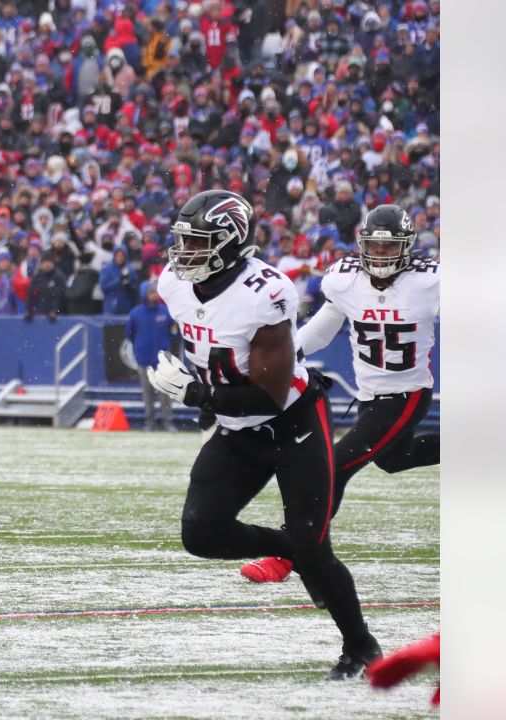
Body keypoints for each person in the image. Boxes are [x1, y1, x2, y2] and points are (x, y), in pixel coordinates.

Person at [148, 189, 381, 680]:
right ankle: (295, 549)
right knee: (200, 532)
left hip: (293, 424)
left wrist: (195, 396)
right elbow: (208, 342)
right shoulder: (174, 282)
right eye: (183, 242)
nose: (182, 254)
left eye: (197, 243)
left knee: (316, 547)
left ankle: (361, 648)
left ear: (229, 244)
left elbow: (269, 396)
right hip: (237, 429)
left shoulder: (265, 293)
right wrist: (204, 395)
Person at [241, 205, 440, 583]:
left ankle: (289, 553)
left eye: (388, 247)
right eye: (374, 246)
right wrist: (281, 360)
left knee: (333, 467)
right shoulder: (344, 279)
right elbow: (321, 330)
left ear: (407, 247)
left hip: (408, 394)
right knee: (396, 459)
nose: (379, 255)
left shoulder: (430, 281)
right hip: (370, 395)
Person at [126, 280, 175, 432]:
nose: (154, 296)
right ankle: (150, 422)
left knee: (164, 392)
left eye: (155, 292)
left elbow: (173, 332)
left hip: (162, 361)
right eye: (151, 293)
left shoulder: (164, 311)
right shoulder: (135, 314)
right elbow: (129, 334)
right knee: (147, 393)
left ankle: (168, 422)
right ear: (144, 295)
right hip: (144, 360)